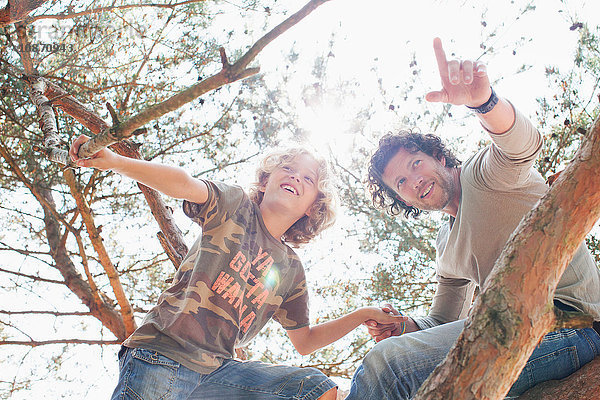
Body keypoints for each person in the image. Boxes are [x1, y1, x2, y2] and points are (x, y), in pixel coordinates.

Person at [346, 37, 600, 399]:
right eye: (400, 182)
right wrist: (406, 325)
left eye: (416, 164)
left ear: (440, 157)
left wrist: (485, 102)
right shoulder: (445, 245)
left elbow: (523, 144)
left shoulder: (484, 174)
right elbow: (443, 320)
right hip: (514, 333)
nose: (414, 180)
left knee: (388, 365)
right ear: (402, 198)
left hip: (573, 323)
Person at [69, 138, 406, 400]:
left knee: (313, 388)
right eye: (287, 168)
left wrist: (362, 314)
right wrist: (115, 162)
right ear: (266, 179)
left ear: (312, 206)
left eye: (307, 178)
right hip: (164, 354)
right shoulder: (234, 206)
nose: (295, 176)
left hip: (218, 376)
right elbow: (184, 183)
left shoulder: (290, 270)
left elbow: (303, 341)